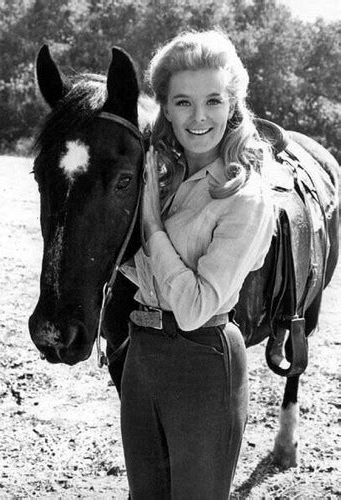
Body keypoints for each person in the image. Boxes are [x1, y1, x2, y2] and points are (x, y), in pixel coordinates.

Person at [119, 29, 276, 500]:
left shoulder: (244, 196)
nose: (199, 116)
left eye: (213, 100)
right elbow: (144, 275)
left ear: (232, 105)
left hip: (203, 359)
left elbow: (194, 307)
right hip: (141, 354)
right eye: (183, 102)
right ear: (165, 108)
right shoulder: (163, 178)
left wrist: (151, 226)